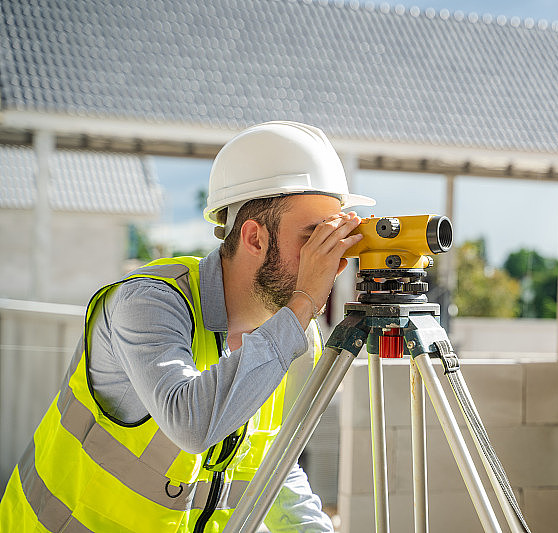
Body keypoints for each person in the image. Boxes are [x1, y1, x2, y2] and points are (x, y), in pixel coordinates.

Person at [0, 121, 375, 532]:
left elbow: (274, 468)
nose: (329, 258)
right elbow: (193, 424)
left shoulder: (299, 338)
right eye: (314, 237)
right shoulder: (148, 302)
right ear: (254, 238)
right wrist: (304, 302)